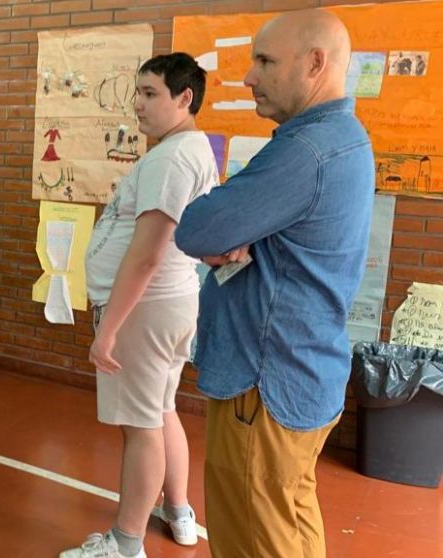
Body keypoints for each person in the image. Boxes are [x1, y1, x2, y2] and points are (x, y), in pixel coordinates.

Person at [174, 10, 373, 557]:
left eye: (264, 61)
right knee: (289, 522)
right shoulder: (343, 138)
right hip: (302, 371)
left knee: (253, 538)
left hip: (263, 387)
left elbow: (199, 226)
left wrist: (231, 228)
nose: (249, 77)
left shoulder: (306, 151)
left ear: (315, 63)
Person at [60, 53, 216, 558]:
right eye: (138, 92)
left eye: (150, 94)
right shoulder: (186, 149)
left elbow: (147, 253)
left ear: (183, 98)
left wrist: (108, 330)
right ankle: (178, 510)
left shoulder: (171, 158)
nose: (138, 104)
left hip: (145, 309)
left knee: (141, 426)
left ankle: (126, 543)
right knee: (161, 410)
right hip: (165, 306)